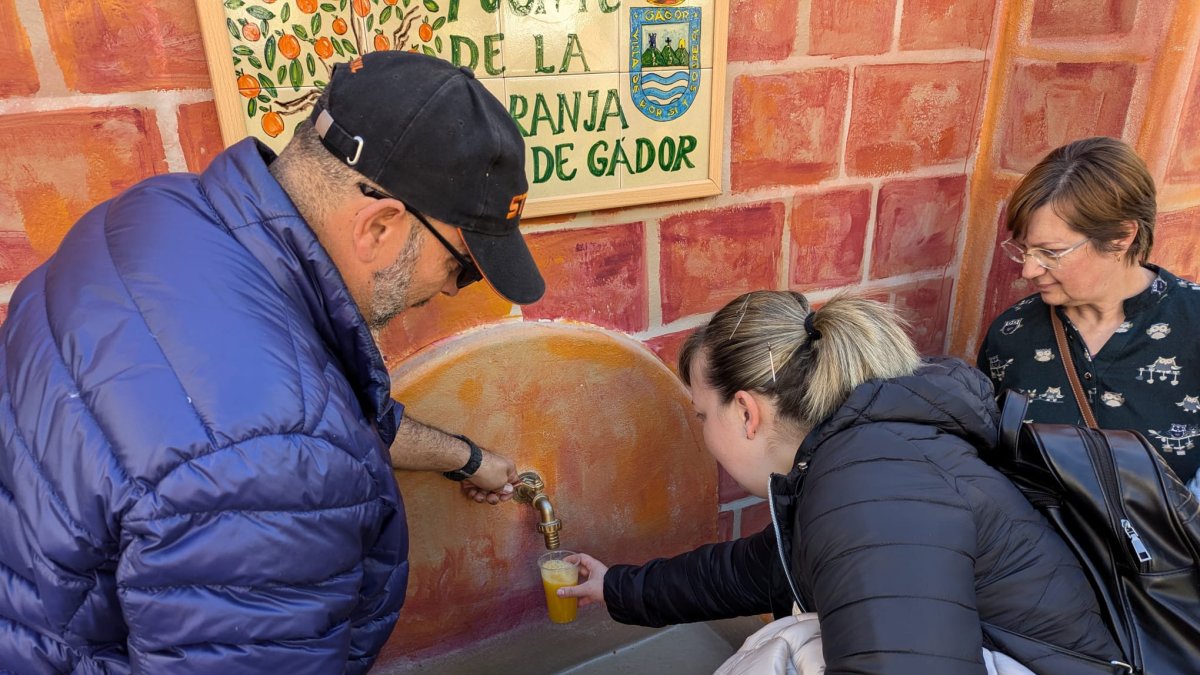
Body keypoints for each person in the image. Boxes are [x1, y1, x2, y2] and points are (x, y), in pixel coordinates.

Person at [0, 52, 543, 672]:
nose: (450, 289)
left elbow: (312, 414)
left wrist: (470, 460)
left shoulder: (157, 217)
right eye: (463, 265)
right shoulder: (275, 458)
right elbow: (273, 443)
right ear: (379, 228)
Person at [559, 291, 1120, 673]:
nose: (704, 432)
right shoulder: (857, 455)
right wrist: (618, 588)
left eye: (703, 415)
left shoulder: (870, 494)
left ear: (748, 413)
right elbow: (762, 567)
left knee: (786, 646)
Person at [978, 136, 1200, 487]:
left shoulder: (1193, 323)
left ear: (1121, 238)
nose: (1028, 271)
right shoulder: (1012, 333)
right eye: (1024, 249)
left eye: (1051, 252)